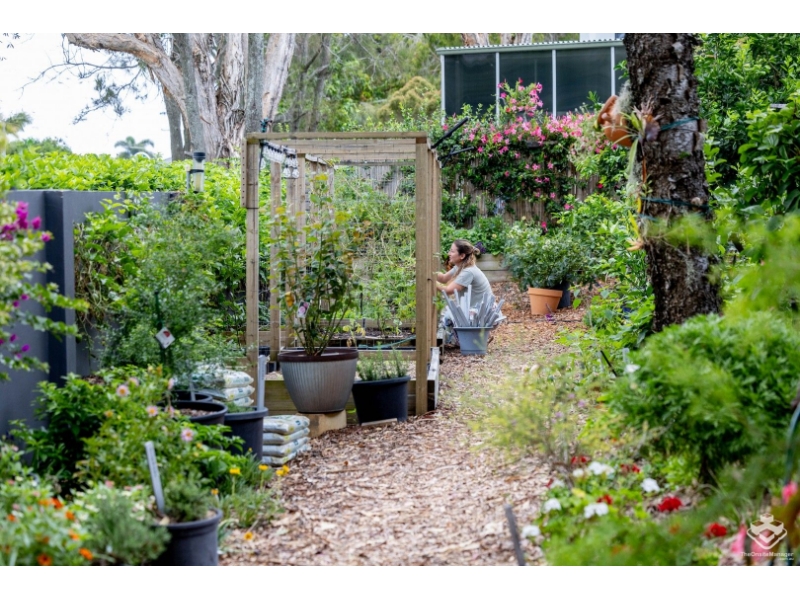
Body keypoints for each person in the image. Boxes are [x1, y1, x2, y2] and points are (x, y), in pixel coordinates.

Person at [436, 239, 493, 347]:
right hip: (476, 310)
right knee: (449, 314)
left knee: (448, 316)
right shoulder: (460, 267)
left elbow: (448, 290)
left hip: (482, 313)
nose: (449, 253)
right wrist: (426, 272)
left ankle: (473, 338)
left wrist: (430, 282)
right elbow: (443, 278)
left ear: (462, 256)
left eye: (452, 251)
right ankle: (474, 338)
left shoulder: (468, 271)